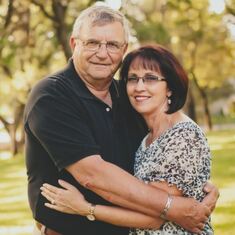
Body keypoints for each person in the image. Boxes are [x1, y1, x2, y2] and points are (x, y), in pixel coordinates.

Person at [24, 4, 218, 235]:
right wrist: (173, 207)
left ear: (124, 49)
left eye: (113, 45)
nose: (103, 53)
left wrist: (199, 191)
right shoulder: (52, 95)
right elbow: (92, 175)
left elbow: (170, 154)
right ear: (75, 44)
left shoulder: (129, 97)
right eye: (93, 43)